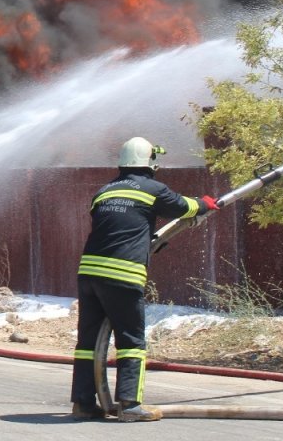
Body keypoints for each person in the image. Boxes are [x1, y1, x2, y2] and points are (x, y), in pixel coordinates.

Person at [70, 137, 218, 422]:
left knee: (88, 343)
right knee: (131, 341)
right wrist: (205, 204)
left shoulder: (105, 191)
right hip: (123, 275)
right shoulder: (152, 188)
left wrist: (147, 240)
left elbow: (120, 227)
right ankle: (129, 405)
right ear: (150, 161)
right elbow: (183, 207)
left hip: (89, 273)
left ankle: (83, 403)